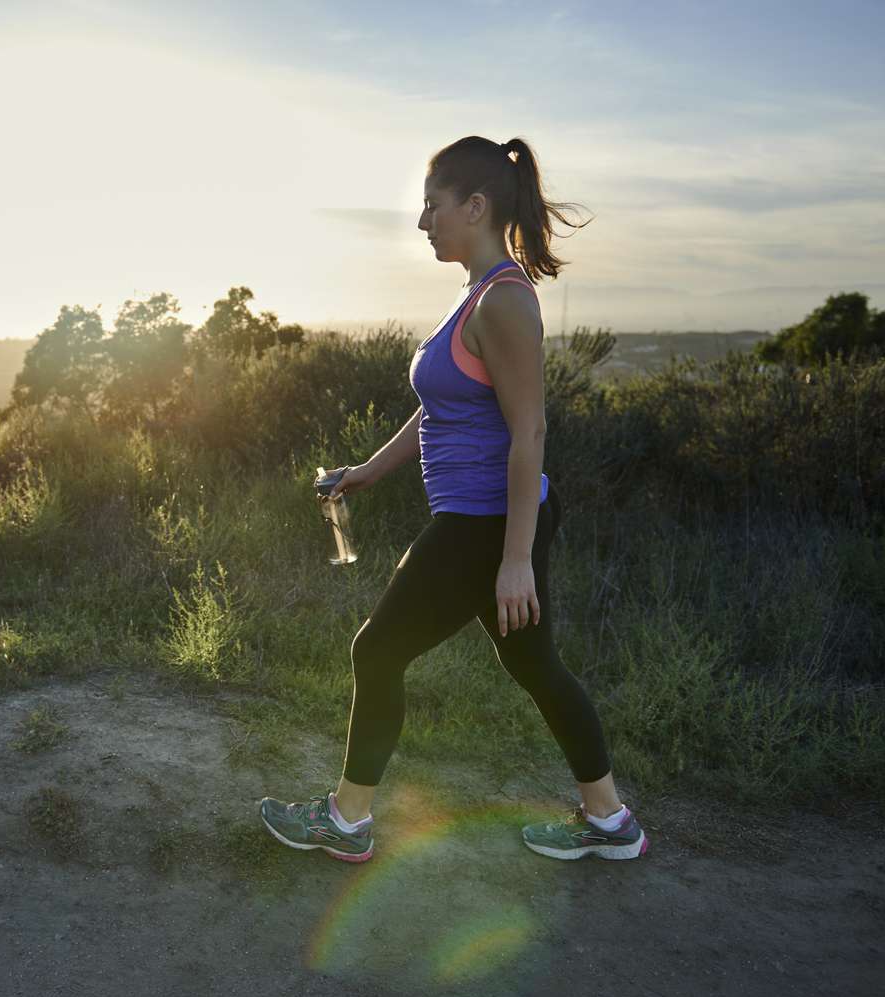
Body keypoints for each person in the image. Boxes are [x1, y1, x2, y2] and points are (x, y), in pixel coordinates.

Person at [259, 136, 648, 864]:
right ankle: (610, 820)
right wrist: (369, 470)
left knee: (376, 651)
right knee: (536, 665)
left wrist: (515, 559)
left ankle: (345, 820)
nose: (422, 222)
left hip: (485, 522)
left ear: (475, 206)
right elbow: (440, 408)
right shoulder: (475, 296)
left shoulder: (503, 301)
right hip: (482, 520)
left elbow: (529, 430)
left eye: (432, 206)